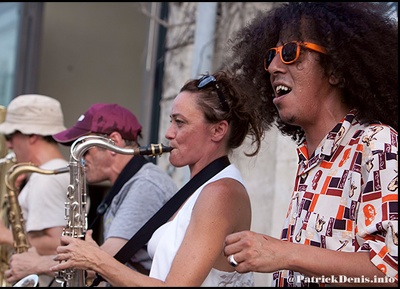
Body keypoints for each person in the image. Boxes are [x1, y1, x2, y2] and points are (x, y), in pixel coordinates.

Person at [223, 2, 398, 287]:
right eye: (270, 56)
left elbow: (391, 270)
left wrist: (285, 253)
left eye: (291, 52)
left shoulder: (376, 143)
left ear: (336, 70)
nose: (273, 67)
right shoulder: (311, 161)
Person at [49, 70, 265, 286]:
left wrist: (96, 260)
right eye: (171, 121)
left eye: (179, 123)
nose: (169, 133)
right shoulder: (197, 189)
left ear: (218, 130)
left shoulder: (221, 192)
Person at [3, 103, 178, 285]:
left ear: (113, 142)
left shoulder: (145, 185)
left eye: (84, 150)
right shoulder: (128, 185)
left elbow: (103, 261)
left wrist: (37, 264)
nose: (80, 159)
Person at [0, 94, 70, 287]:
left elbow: (59, 243)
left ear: (32, 135)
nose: (8, 145)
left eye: (10, 136)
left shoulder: (46, 177)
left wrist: (3, 234)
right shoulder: (47, 174)